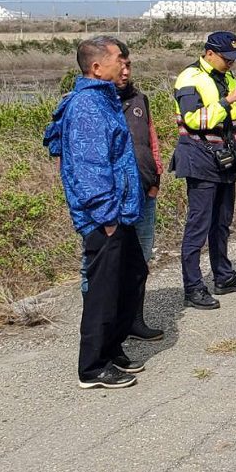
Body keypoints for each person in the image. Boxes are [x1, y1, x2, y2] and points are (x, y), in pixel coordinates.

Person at [43, 36, 147, 389]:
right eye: (119, 58)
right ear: (97, 66)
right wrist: (105, 216)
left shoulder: (104, 100)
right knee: (103, 289)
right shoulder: (87, 105)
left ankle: (112, 348)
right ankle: (92, 367)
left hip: (122, 211)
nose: (125, 64)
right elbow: (90, 167)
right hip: (105, 216)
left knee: (131, 275)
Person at [171, 31, 236, 309]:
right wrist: (227, 101)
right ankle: (193, 287)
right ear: (209, 53)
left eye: (235, 58)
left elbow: (235, 119)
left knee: (221, 223)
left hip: (226, 159)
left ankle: (223, 276)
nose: (232, 63)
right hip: (199, 159)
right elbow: (194, 119)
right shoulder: (190, 78)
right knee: (198, 226)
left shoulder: (227, 78)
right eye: (227, 58)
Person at [116, 44, 165, 341]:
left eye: (129, 65)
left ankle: (135, 321)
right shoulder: (91, 103)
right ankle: (108, 328)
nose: (125, 71)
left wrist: (156, 177)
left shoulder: (139, 99)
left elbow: (151, 141)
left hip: (145, 192)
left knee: (141, 260)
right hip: (116, 199)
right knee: (108, 265)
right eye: (119, 65)